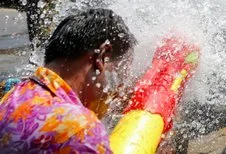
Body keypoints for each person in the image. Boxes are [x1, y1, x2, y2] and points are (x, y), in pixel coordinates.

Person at [0, 8, 136, 152]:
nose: (117, 88)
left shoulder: (12, 93)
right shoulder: (80, 130)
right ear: (100, 57)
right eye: (119, 74)